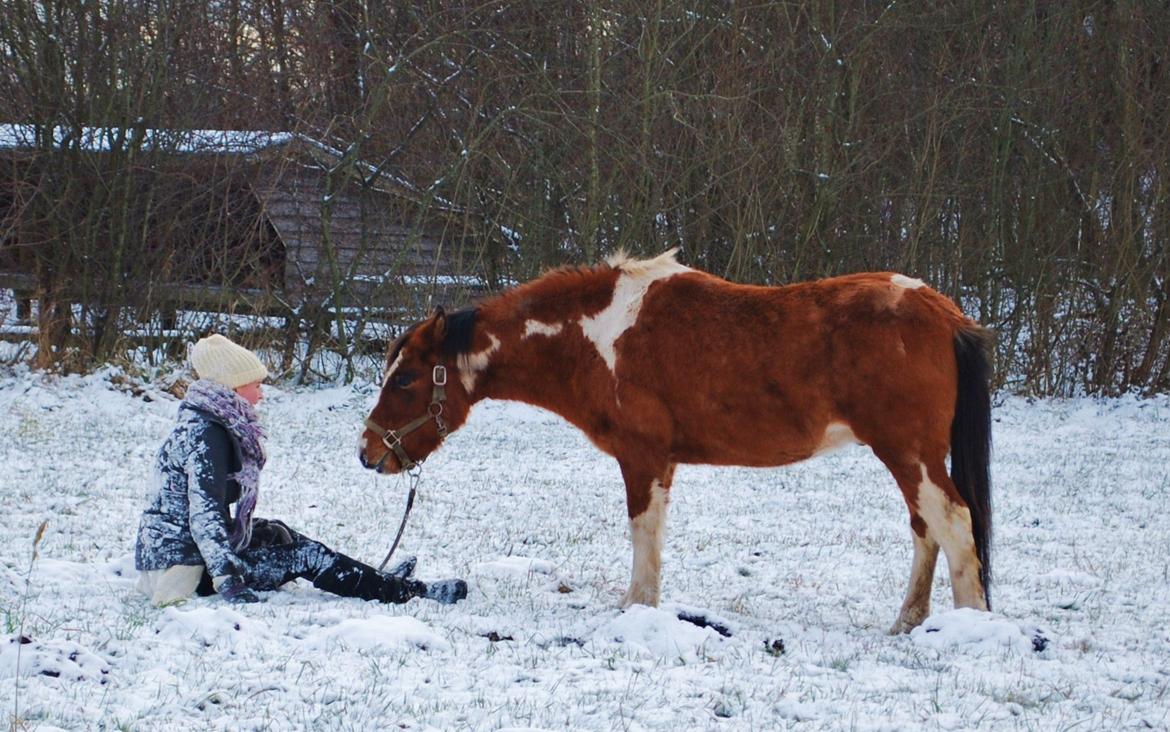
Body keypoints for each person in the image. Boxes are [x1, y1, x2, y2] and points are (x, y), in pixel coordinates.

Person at [135, 333, 467, 607]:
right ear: (232, 388)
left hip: (176, 556)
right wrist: (228, 581)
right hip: (184, 571)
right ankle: (409, 593)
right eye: (255, 384)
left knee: (280, 534)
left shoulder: (205, 421)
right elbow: (203, 516)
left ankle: (377, 581)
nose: (261, 393)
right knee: (305, 556)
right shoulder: (208, 436)